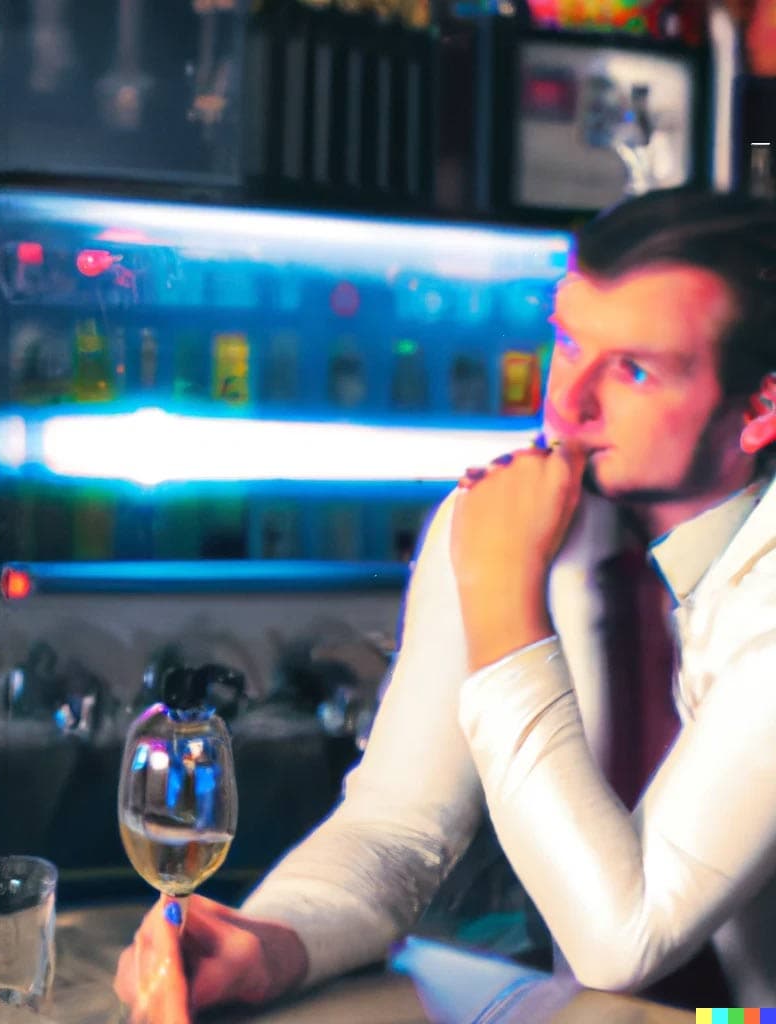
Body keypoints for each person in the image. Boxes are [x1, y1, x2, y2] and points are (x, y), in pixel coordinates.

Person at [115, 186, 776, 1022]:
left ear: (759, 409)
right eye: (570, 344)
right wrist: (273, 942)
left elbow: (626, 936)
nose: (567, 407)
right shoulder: (510, 517)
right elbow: (398, 827)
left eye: (636, 371)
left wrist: (504, 593)